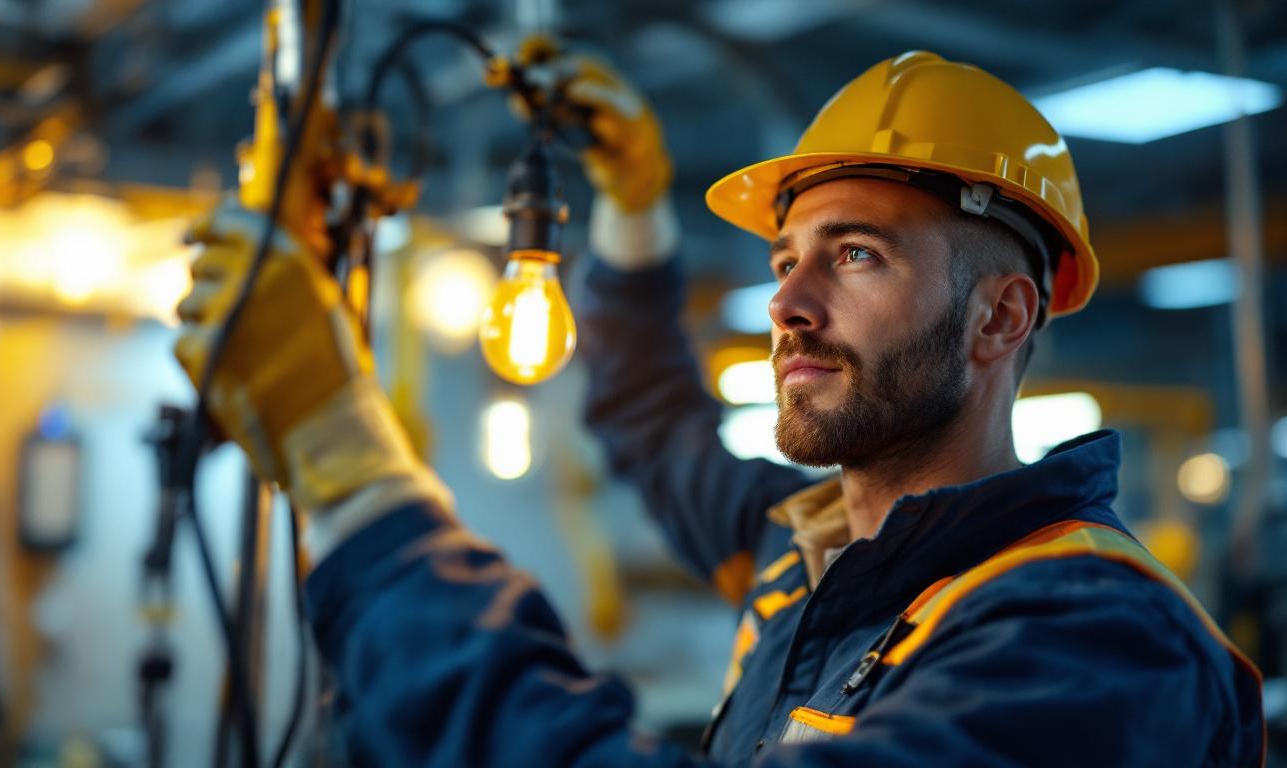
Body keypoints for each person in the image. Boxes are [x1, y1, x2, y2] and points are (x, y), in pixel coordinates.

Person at [175, 50, 1265, 766]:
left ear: (999, 317)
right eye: (788, 260)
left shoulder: (1098, 641)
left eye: (855, 254)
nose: (787, 304)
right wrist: (634, 213)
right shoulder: (807, 553)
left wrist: (351, 476)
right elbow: (653, 422)